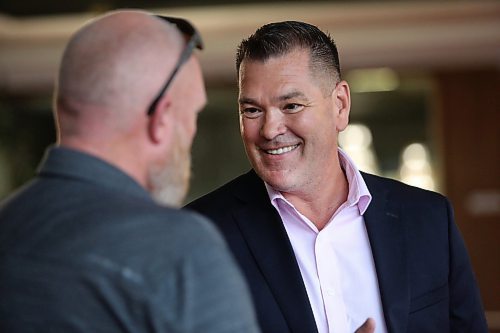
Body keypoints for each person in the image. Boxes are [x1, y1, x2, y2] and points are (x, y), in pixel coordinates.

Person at [186, 21, 488, 333]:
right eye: (251, 110)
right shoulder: (197, 236)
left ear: (340, 106)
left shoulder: (428, 218)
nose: (269, 130)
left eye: (291, 105)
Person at [0, 10, 260, 333]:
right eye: (191, 114)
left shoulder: (8, 225)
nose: (191, 136)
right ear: (161, 119)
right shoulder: (180, 252)